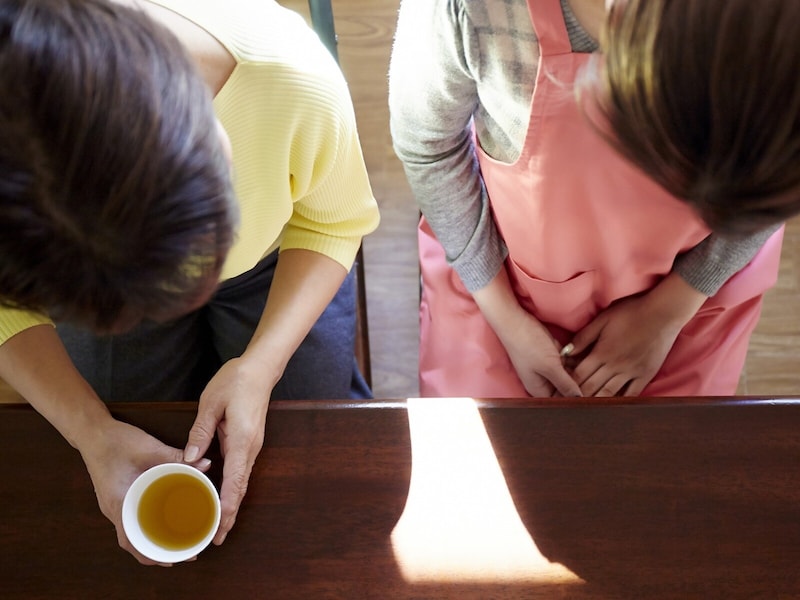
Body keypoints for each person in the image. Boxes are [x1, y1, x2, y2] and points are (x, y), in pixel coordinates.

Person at [0, 0, 379, 565]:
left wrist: (262, 363)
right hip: (103, 280)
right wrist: (91, 432)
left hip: (279, 257)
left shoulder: (293, 77)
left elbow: (333, 219)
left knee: (317, 446)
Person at [389, 0, 798, 398]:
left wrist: (670, 310)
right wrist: (507, 319)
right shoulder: (467, 10)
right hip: (495, 282)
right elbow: (430, 145)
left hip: (696, 287)